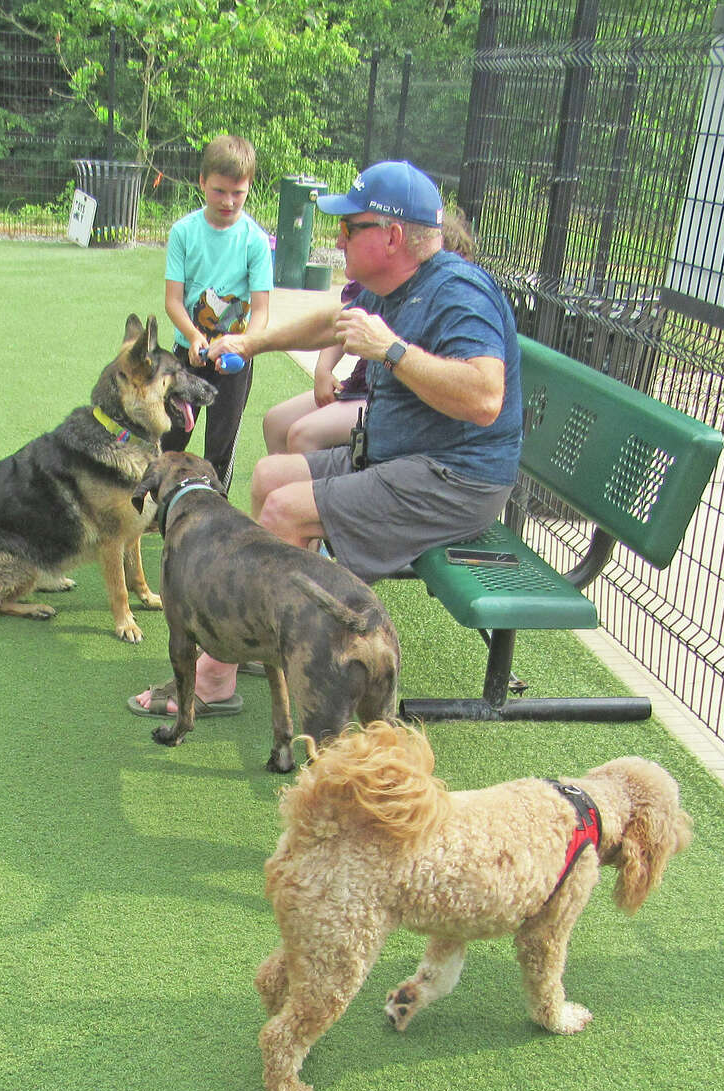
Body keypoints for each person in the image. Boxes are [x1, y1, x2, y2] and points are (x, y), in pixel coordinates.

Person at [130, 160, 521, 718]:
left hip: (454, 478)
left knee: (287, 511)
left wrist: (392, 350)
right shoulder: (396, 284)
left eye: (349, 227)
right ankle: (265, 638)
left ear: (390, 236)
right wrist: (252, 340)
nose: (337, 238)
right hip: (398, 455)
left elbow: (486, 397)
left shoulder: (459, 294)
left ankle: (216, 677)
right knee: (269, 477)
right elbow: (330, 323)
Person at [262, 209, 477, 457]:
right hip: (358, 387)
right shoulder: (389, 288)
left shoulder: (449, 306)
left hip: (391, 401)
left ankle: (312, 495)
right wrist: (323, 369)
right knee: (276, 421)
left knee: (304, 434)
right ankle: (278, 492)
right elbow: (345, 320)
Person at [161, 134, 272, 491]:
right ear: (202, 183)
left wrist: (244, 344)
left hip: (235, 362)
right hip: (187, 354)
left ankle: (214, 514)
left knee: (219, 449)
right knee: (170, 438)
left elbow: (262, 311)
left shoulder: (255, 240)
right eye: (219, 191)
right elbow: (173, 301)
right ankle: (151, 509)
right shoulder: (184, 233)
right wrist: (194, 337)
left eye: (237, 193)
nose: (228, 201)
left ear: (250, 188)